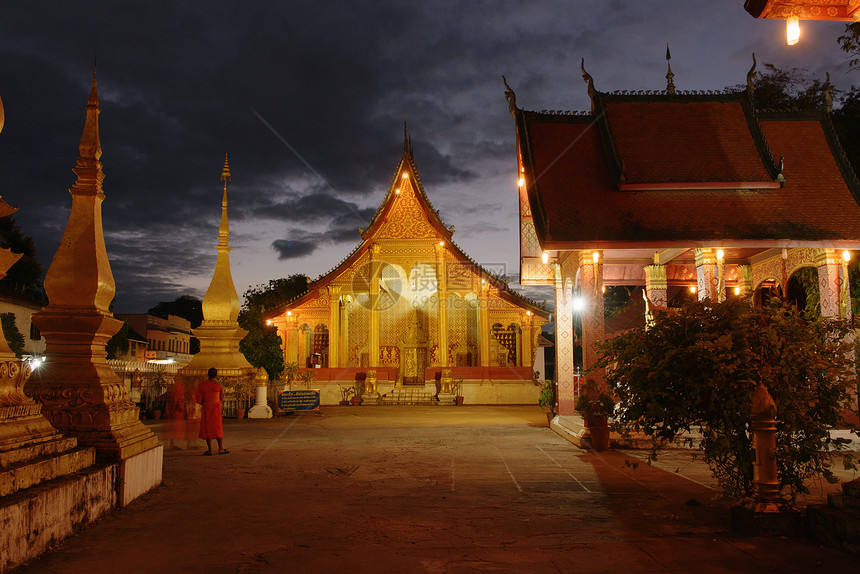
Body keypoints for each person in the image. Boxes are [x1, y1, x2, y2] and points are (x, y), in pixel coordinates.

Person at [194, 367, 229, 455]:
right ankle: (220, 448)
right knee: (217, 427)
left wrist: (205, 403)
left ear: (208, 374)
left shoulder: (202, 385)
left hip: (207, 407)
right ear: (216, 375)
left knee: (207, 427)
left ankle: (210, 450)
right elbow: (221, 398)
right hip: (216, 408)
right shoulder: (219, 385)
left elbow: (198, 398)